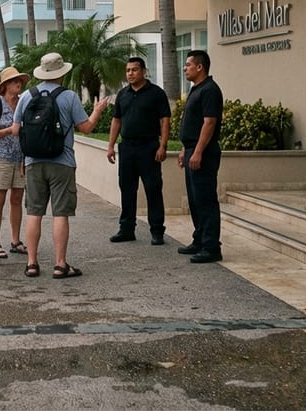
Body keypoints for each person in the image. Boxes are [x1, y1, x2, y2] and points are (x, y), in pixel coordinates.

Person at [12, 52, 110, 279]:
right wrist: (97, 111)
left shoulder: (27, 95)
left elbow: (17, 130)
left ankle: (32, 263)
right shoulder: (70, 97)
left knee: (34, 212)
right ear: (62, 74)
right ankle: (60, 265)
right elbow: (85, 128)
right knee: (60, 214)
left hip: (33, 162)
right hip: (62, 162)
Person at [106, 56, 171, 244]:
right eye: (128, 71)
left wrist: (163, 145)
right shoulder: (123, 94)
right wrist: (111, 145)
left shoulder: (156, 93)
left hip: (149, 148)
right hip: (127, 148)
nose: (131, 74)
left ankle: (157, 231)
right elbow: (116, 120)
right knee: (127, 189)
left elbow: (164, 120)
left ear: (144, 71)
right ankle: (126, 229)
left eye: (134, 70)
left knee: (153, 189)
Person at [177, 50, 224, 264]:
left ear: (200, 67)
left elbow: (209, 122)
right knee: (195, 200)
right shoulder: (197, 89)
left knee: (205, 200)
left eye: (188, 65)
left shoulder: (210, 90)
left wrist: (197, 151)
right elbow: (193, 124)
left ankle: (211, 246)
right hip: (191, 150)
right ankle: (199, 240)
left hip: (203, 153)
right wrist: (185, 150)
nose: (185, 68)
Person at [0, 66, 30, 259]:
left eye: (20, 81)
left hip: (20, 159)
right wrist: (10, 130)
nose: (18, 84)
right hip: (0, 158)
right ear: (5, 86)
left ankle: (15, 241)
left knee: (17, 199)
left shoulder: (23, 104)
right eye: (14, 81)